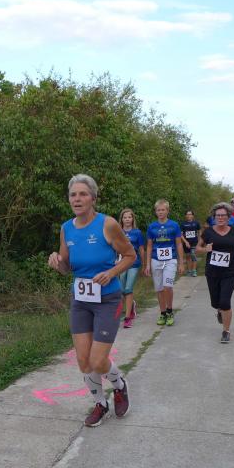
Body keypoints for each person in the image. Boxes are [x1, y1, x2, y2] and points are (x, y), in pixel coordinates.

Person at [48, 174, 135, 427]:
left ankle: (119, 385)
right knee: (84, 361)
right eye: (73, 195)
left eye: (83, 194)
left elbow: (130, 255)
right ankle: (100, 404)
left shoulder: (107, 224)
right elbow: (67, 267)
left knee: (98, 360)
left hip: (107, 300)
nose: (77, 199)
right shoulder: (66, 228)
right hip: (81, 300)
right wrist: (57, 262)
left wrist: (111, 273)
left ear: (93, 198)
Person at [196, 202, 234, 344]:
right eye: (218, 215)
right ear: (214, 217)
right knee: (216, 302)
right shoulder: (208, 232)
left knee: (225, 301)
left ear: (228, 217)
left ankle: (226, 331)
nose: (220, 218)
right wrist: (205, 249)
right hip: (212, 272)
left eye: (223, 215)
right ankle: (219, 310)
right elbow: (197, 249)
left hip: (230, 271)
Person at [144, 199, 185, 326]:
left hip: (170, 259)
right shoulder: (152, 227)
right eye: (158, 210)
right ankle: (162, 313)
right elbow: (149, 246)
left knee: (168, 286)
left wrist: (181, 263)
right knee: (159, 288)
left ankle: (170, 311)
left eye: (163, 210)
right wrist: (147, 264)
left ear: (167, 211)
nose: (160, 212)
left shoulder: (174, 225)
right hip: (155, 259)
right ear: (155, 212)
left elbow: (179, 244)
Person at [117, 208, 145, 328]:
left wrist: (144, 265)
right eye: (125, 217)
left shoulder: (137, 232)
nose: (127, 219)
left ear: (133, 219)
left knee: (128, 289)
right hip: (121, 264)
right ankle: (132, 305)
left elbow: (141, 249)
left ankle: (127, 318)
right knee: (122, 290)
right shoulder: (118, 232)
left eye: (129, 217)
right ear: (122, 219)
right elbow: (114, 248)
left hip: (134, 263)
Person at [180, 210, 201, 277]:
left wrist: (199, 241)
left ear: (192, 215)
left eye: (190, 214)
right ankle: (189, 271)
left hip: (194, 242)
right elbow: (181, 235)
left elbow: (199, 232)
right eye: (187, 214)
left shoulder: (196, 223)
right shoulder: (183, 224)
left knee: (193, 255)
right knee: (188, 256)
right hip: (186, 243)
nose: (189, 216)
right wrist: (186, 242)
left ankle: (194, 271)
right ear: (185, 216)